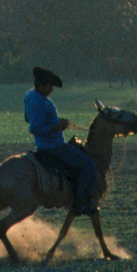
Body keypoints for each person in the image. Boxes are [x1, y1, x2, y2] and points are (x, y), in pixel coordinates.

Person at [24, 66, 99, 215]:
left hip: (42, 145)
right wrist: (57, 126)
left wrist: (56, 122)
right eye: (50, 86)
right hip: (54, 146)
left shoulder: (30, 96)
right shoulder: (42, 103)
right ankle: (79, 203)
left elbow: (28, 118)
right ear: (42, 85)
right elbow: (34, 128)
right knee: (88, 165)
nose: (51, 89)